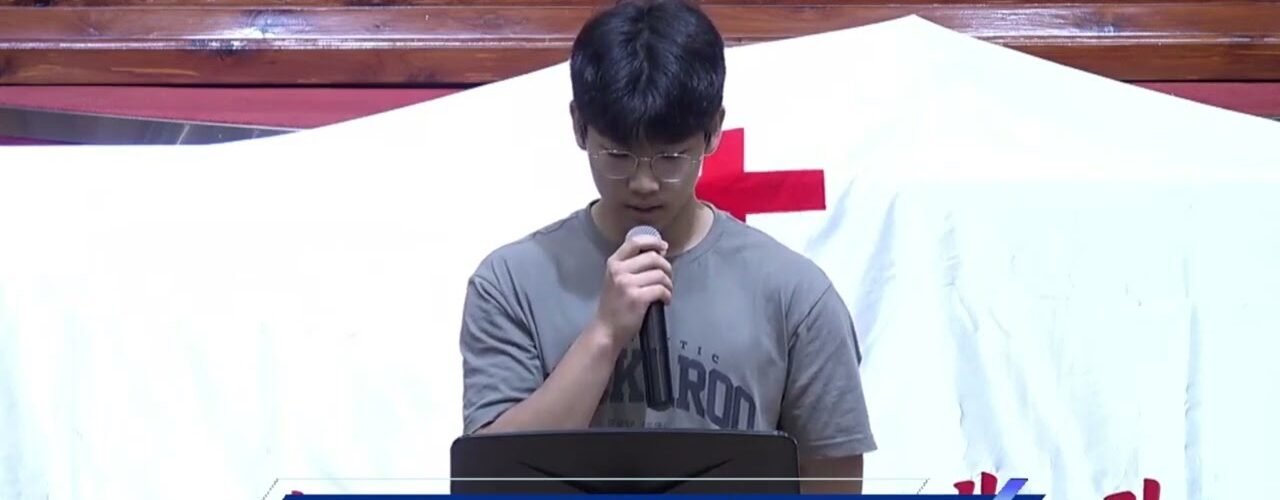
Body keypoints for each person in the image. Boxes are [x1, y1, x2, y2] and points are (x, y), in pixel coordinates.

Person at [459, 0, 875, 493]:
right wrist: (604, 335)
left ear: (713, 131)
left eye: (671, 157)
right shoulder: (509, 283)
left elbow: (833, 482)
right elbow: (493, 479)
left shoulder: (795, 294)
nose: (644, 183)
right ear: (578, 126)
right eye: (618, 155)